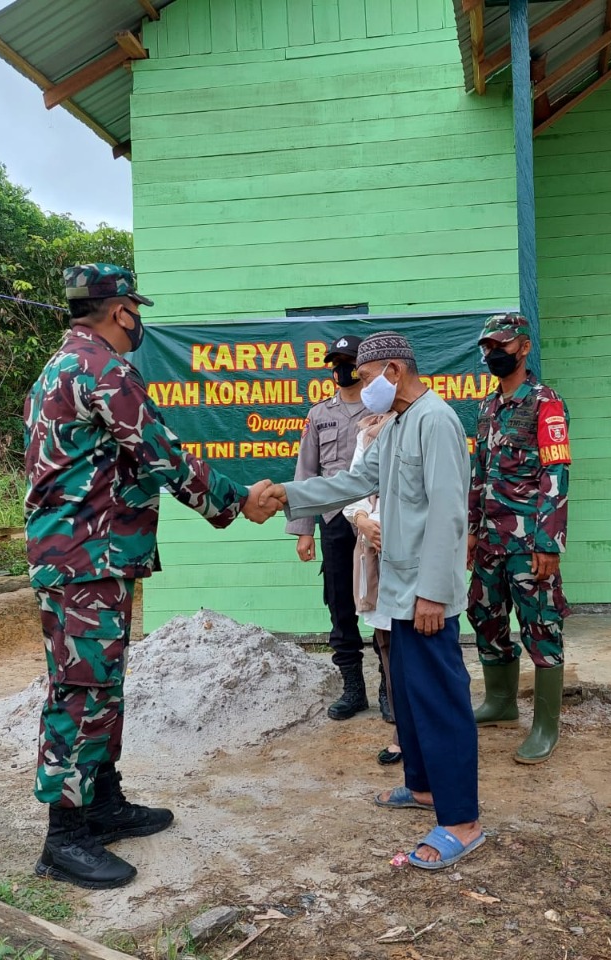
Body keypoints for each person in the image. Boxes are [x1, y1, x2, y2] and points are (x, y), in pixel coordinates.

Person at [24, 263, 278, 890]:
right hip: (87, 557)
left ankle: (102, 802)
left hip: (91, 555)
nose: (140, 318)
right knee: (82, 690)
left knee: (101, 682)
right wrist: (234, 501)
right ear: (119, 310)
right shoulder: (103, 371)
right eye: (136, 306)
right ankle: (65, 837)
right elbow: (159, 452)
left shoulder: (64, 365)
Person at [258, 331, 485, 870]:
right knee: (408, 698)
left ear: (393, 372)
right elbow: (355, 479)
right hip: (399, 590)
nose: (359, 387)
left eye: (364, 377)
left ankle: (462, 822)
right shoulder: (399, 424)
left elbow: (451, 515)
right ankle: (424, 788)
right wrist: (287, 494)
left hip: (426, 594)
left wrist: (433, 591)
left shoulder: (437, 421)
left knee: (440, 704)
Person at [467, 312, 571, 764]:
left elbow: (557, 473)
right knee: (483, 614)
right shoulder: (487, 407)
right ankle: (501, 701)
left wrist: (549, 541)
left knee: (540, 626)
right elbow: (479, 474)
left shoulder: (545, 403)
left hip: (530, 543)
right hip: (490, 541)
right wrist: (471, 531)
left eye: (502, 346)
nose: (493, 354)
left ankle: (546, 725)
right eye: (488, 347)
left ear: (524, 348)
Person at [286, 336, 370, 720]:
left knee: (384, 603)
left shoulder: (381, 408)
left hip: (375, 517)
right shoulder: (320, 414)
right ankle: (354, 688)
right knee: (340, 604)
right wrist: (304, 529)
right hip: (334, 521)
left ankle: (390, 687)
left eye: (347, 361)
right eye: (335, 362)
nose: (340, 369)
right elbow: (306, 472)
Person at [341, 411, 398, 762]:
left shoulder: (425, 422)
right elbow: (355, 486)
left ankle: (429, 731)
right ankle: (402, 731)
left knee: (420, 646)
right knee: (387, 643)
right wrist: (363, 519)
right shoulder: (367, 434)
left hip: (412, 553)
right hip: (374, 554)